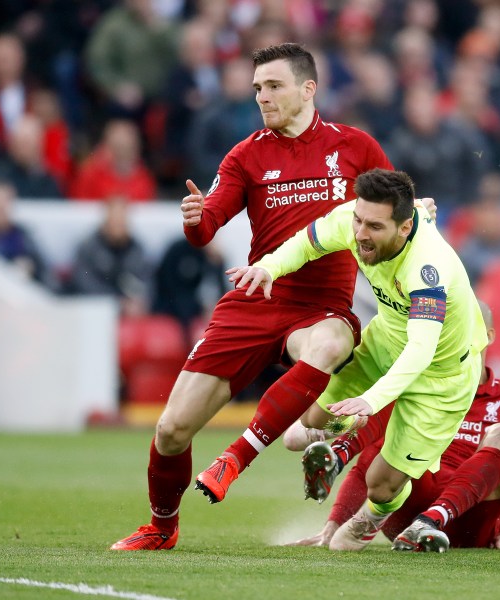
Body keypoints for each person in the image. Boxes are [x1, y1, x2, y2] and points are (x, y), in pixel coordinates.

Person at [110, 42, 394, 551]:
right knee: (172, 430)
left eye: (274, 86)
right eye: (258, 87)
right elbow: (210, 221)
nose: (262, 96)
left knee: (327, 346)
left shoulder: (356, 147)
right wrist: (197, 221)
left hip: (320, 306)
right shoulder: (246, 154)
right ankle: (161, 526)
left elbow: (392, 217)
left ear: (309, 89)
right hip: (255, 298)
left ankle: (235, 458)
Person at [224, 168, 486, 552]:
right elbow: (306, 244)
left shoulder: (428, 268)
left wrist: (372, 401)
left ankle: (371, 519)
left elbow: (421, 350)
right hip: (386, 342)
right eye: (359, 220)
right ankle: (331, 439)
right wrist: (269, 266)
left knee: (381, 482)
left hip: (441, 376)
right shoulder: (355, 221)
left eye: (374, 227)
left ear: (403, 227)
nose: (361, 233)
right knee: (314, 416)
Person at [284, 300, 500, 552]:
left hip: (474, 521)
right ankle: (337, 456)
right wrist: (333, 525)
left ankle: (431, 519)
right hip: (408, 505)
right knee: (390, 406)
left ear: (488, 335)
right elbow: (370, 459)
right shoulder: (418, 383)